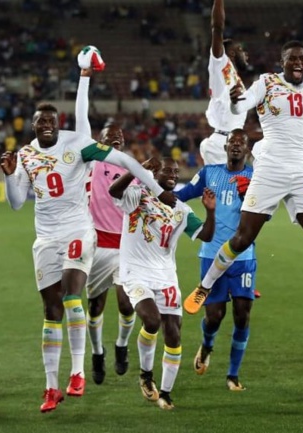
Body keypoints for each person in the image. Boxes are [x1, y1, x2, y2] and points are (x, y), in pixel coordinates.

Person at [183, 40, 303, 330]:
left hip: (302, 172)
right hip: (270, 169)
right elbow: (245, 102)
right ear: (282, 62)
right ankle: (206, 285)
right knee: (242, 237)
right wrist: (237, 99)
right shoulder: (266, 82)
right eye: (292, 59)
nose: (298, 63)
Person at [0, 103, 175, 413]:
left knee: (71, 295)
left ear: (58, 123)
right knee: (51, 311)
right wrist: (9, 176)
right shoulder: (26, 155)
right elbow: (15, 203)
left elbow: (124, 159)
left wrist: (154, 186)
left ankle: (78, 372)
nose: (47, 125)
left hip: (80, 232)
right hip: (45, 239)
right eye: (41, 121)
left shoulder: (76, 144)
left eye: (52, 120)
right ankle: (52, 387)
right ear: (32, 126)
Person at [109, 157, 216, 410]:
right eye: (168, 170)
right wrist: (138, 170)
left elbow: (207, 235)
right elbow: (114, 191)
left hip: (165, 275)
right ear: (153, 172)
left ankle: (166, 392)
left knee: (174, 333)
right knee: (152, 320)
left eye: (176, 171)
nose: (173, 174)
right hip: (135, 272)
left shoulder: (181, 208)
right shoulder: (137, 194)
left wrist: (210, 211)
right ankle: (146, 375)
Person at [176, 128, 256, 391]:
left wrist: (249, 196)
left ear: (247, 149)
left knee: (242, 315)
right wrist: (157, 197)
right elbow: (185, 193)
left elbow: (263, 212)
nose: (235, 146)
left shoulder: (255, 177)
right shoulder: (210, 172)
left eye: (240, 143)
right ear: (225, 148)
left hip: (243, 256)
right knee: (214, 316)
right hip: (211, 253)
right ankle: (207, 345)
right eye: (231, 142)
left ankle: (233, 375)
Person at [75, 56, 136, 385]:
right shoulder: (88, 162)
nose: (113, 140)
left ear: (123, 143)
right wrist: (85, 76)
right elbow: (80, 119)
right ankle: (97, 352)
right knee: (95, 305)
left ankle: (122, 345)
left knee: (128, 304)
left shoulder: (132, 170)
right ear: (99, 140)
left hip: (125, 245)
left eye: (118, 137)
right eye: (108, 136)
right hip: (96, 244)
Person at [200, 0, 249, 166]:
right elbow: (217, 28)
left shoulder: (235, 77)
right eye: (242, 50)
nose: (246, 54)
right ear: (233, 53)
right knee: (226, 189)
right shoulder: (220, 63)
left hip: (229, 141)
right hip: (222, 143)